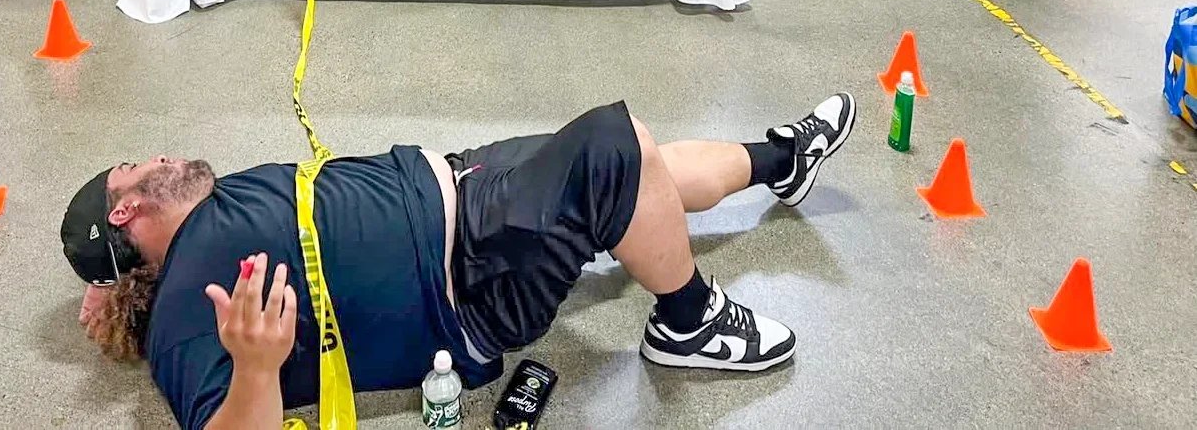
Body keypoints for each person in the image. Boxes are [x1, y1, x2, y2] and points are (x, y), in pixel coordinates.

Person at [63, 93, 857, 425]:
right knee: (619, 147)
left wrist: (111, 292)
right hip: (468, 279)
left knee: (641, 166)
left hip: (465, 182)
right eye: (135, 166)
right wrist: (259, 368)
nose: (154, 157)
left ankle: (780, 158)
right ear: (125, 210)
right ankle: (687, 320)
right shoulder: (183, 314)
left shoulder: (209, 216)